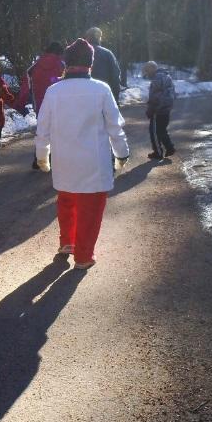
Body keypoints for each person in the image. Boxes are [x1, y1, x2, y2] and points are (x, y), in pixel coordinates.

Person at [35, 38, 129, 270]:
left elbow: (42, 127)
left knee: (67, 201)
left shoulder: (54, 91)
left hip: (64, 161)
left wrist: (42, 155)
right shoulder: (101, 89)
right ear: (91, 63)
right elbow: (114, 126)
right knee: (91, 208)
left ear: (66, 63)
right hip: (93, 162)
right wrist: (122, 153)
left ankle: (67, 242)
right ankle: (84, 256)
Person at [28, 41, 65, 168]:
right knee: (58, 132)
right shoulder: (61, 64)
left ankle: (38, 159)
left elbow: (28, 77)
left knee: (42, 131)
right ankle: (55, 160)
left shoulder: (37, 64)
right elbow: (64, 80)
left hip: (40, 102)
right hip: (57, 103)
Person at [143, 60, 176, 160]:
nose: (147, 73)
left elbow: (155, 97)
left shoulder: (157, 79)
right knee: (162, 130)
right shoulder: (165, 76)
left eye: (147, 71)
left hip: (159, 109)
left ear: (152, 69)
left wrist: (151, 109)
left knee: (154, 131)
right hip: (166, 108)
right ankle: (170, 148)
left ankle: (158, 152)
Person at [84, 27, 125, 103]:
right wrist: (115, 99)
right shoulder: (107, 53)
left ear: (87, 38)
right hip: (103, 96)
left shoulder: (78, 54)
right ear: (99, 38)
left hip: (84, 98)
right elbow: (115, 77)